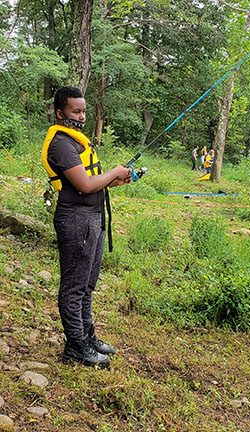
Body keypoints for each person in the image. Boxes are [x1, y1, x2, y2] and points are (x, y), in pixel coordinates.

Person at [41, 86, 132, 368]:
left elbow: (92, 180)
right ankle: (76, 348)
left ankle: (87, 337)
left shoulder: (77, 141)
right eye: (75, 112)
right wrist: (114, 171)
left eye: (83, 111)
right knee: (74, 287)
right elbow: (83, 185)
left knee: (87, 286)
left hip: (93, 218)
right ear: (60, 113)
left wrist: (116, 179)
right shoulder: (62, 144)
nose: (81, 117)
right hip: (75, 220)